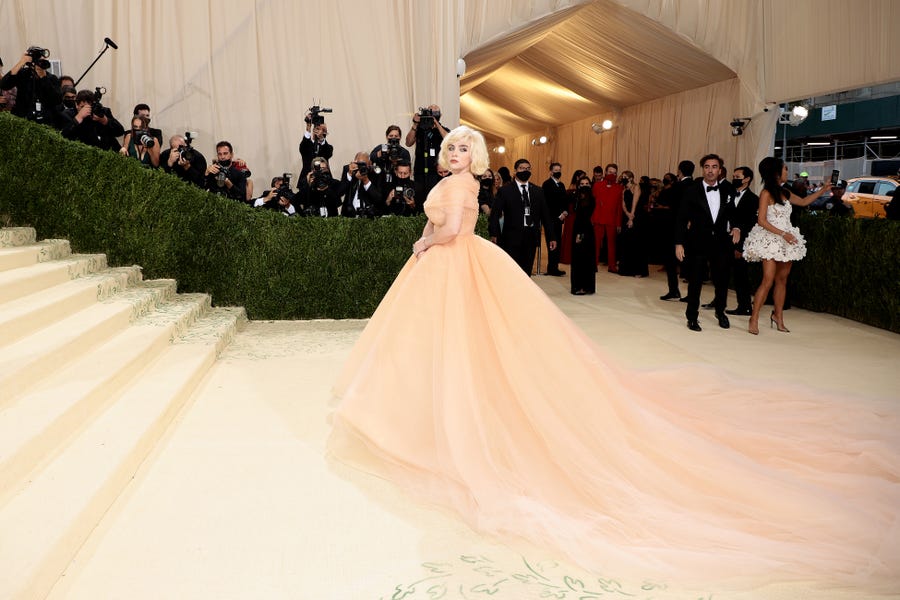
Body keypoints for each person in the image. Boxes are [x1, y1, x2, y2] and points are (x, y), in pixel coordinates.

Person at [329, 125, 900, 594]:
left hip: (453, 262)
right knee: (446, 340)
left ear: (473, 156)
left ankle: (443, 411)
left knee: (460, 339)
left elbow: (453, 229)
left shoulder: (461, 186)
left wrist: (424, 242)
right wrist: (429, 238)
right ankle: (437, 403)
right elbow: (447, 222)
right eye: (451, 146)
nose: (455, 152)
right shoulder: (455, 182)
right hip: (452, 265)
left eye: (462, 147)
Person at [744, 156, 832, 335]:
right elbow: (761, 220)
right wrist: (783, 234)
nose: (787, 171)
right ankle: (753, 318)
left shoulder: (785, 192)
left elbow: (804, 202)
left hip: (786, 239)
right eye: (784, 168)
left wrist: (824, 189)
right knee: (768, 279)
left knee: (782, 280)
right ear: (776, 173)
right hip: (771, 238)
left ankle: (778, 316)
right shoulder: (766, 193)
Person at [675, 154, 740, 332]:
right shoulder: (692, 190)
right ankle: (692, 316)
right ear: (703, 169)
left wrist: (736, 227)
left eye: (714, 167)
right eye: (707, 167)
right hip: (697, 242)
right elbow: (681, 218)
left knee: (722, 280)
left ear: (720, 170)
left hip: (721, 242)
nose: (710, 170)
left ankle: (720, 312)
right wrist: (679, 243)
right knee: (695, 281)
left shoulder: (727, 189)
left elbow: (733, 212)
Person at [488, 158, 557, 275]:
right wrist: (494, 234)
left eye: (528, 168)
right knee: (512, 272)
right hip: (511, 238)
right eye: (521, 168)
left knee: (526, 271)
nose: (525, 171)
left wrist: (551, 237)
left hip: (531, 237)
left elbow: (546, 216)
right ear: (515, 171)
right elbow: (495, 214)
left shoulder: (538, 191)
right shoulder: (505, 191)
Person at [725, 166, 758, 316]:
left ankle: (744, 306)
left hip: (741, 242)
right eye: (733, 176)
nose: (734, 179)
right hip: (724, 239)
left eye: (737, 177)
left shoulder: (753, 199)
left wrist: (740, 247)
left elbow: (750, 224)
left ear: (747, 179)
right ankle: (718, 301)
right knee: (721, 273)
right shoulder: (729, 194)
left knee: (740, 275)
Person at [405, 104, 449, 200]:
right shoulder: (420, 129)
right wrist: (415, 124)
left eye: (435, 113)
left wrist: (436, 124)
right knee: (420, 197)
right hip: (420, 170)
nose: (433, 116)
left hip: (436, 172)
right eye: (431, 113)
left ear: (440, 115)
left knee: (434, 198)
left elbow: (449, 140)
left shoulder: (442, 130)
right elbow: (408, 143)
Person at [616, 170, 649, 277]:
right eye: (622, 176)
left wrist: (631, 217)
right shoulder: (623, 189)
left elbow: (635, 202)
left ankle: (638, 271)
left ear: (630, 178)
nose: (623, 178)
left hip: (637, 216)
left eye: (625, 176)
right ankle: (626, 270)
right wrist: (627, 214)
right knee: (626, 242)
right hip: (627, 216)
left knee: (637, 243)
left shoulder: (636, 187)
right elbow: (623, 204)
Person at [591, 163, 623, 272]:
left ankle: (612, 266)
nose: (612, 174)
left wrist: (618, 223)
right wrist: (592, 218)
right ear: (605, 172)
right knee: (596, 243)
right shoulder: (597, 185)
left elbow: (619, 207)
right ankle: (593, 264)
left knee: (612, 244)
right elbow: (593, 204)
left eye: (614, 173)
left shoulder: (619, 188)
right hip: (598, 218)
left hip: (612, 220)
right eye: (610, 172)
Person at [569, 174, 596, 295]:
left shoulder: (590, 199)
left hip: (585, 230)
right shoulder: (577, 198)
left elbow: (585, 217)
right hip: (578, 228)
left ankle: (586, 287)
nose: (584, 186)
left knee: (586, 258)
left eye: (587, 184)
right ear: (578, 185)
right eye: (582, 184)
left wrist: (580, 234)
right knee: (577, 258)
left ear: (590, 185)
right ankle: (578, 286)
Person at [541, 162, 568, 276]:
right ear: (551, 172)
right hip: (551, 219)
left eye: (559, 170)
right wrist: (558, 214)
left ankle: (555, 267)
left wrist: (565, 212)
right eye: (556, 170)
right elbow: (548, 203)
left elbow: (565, 200)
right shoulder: (546, 184)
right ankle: (551, 268)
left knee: (558, 243)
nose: (558, 172)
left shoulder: (561, 185)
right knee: (552, 243)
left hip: (560, 219)